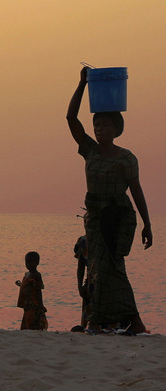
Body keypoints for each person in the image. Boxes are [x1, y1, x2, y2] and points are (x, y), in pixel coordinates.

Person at [67, 67, 153, 334]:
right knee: (102, 268)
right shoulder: (90, 150)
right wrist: (82, 84)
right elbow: (71, 117)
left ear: (117, 129)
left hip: (118, 219)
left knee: (108, 268)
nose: (99, 128)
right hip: (95, 219)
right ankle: (130, 321)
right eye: (97, 124)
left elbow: (136, 191)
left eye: (105, 125)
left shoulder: (126, 158)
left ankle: (98, 322)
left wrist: (147, 225)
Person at [16, 251, 48, 330]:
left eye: (31, 262)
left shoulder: (36, 275)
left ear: (37, 263)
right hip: (26, 303)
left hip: (34, 304)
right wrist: (20, 284)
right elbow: (27, 286)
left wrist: (41, 305)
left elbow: (38, 290)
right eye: (27, 262)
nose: (28, 264)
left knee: (33, 319)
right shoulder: (27, 274)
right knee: (27, 318)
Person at [72, 232, 93, 332]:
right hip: (90, 284)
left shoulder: (105, 238)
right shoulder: (83, 241)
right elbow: (80, 266)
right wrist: (79, 286)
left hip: (106, 283)